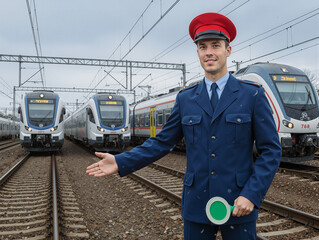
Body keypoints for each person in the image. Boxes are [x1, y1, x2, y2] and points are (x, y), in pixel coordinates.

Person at [86, 12, 281, 240]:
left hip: (239, 202)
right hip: (197, 203)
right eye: (202, 46)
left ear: (228, 50)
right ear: (197, 52)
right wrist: (121, 161)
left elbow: (271, 150)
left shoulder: (252, 95)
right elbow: (162, 143)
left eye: (215, 45)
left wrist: (251, 194)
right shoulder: (186, 99)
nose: (209, 52)